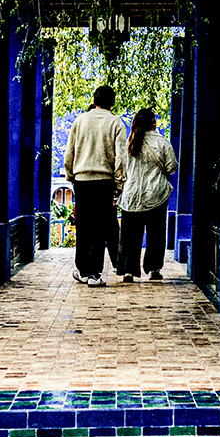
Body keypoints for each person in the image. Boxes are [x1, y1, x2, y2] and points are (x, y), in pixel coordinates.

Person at [61, 84, 127, 286]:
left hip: (81, 180)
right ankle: (94, 274)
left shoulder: (80, 121)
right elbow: (121, 158)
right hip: (104, 181)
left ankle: (82, 270)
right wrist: (119, 183)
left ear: (94, 100)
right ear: (112, 102)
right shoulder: (116, 123)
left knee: (83, 226)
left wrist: (71, 175)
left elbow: (69, 152)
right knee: (99, 227)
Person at [116, 107, 178, 283]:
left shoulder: (130, 142)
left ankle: (129, 270)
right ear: (153, 122)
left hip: (131, 195)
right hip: (156, 194)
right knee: (156, 233)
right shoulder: (162, 141)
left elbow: (121, 167)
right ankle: (153, 269)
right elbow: (172, 166)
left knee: (129, 234)